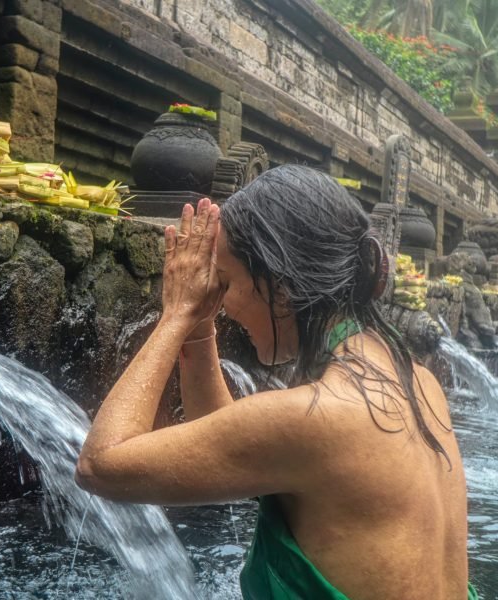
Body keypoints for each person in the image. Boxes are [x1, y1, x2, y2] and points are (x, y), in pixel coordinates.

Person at [77, 165, 475, 600]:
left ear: (280, 288)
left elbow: (101, 464)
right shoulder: (418, 382)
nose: (221, 302)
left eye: (226, 282)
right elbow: (234, 441)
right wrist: (198, 326)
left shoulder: (319, 417)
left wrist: (174, 314)